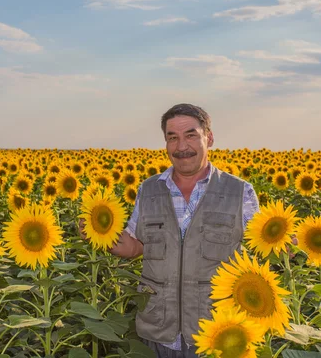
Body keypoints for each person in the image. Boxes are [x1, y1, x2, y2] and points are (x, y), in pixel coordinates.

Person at [82, 103, 259, 357]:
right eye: (172, 138)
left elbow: (260, 247)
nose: (181, 147)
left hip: (216, 334)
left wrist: (287, 243)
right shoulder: (149, 190)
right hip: (158, 331)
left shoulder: (239, 192)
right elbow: (135, 246)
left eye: (190, 135)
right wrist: (99, 232)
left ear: (209, 138)